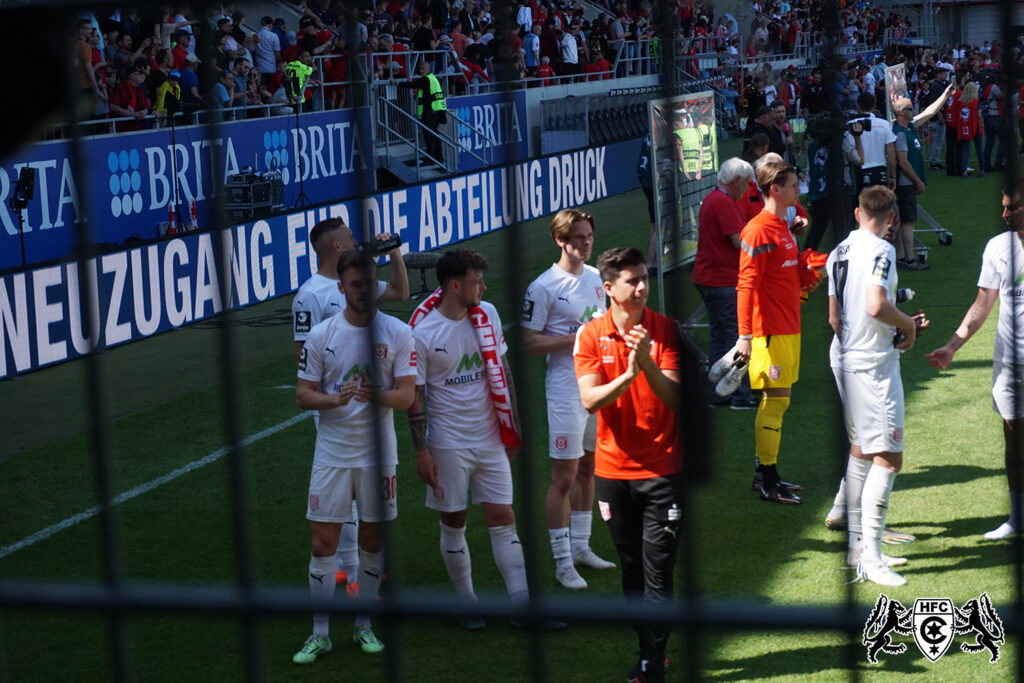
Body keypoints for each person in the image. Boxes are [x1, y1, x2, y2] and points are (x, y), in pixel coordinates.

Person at [408, 249, 557, 631]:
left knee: (504, 517)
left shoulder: (487, 314)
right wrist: (421, 450)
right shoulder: (423, 335)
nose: (484, 287)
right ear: (455, 286)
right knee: (454, 520)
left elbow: (503, 369)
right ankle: (467, 602)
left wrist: (514, 424)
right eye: (477, 281)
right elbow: (416, 396)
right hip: (448, 444)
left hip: (491, 437)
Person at [292, 250, 417, 663]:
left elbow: (407, 396)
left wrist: (372, 394)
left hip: (378, 458)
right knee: (322, 542)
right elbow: (302, 395)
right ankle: (320, 633)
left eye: (369, 283)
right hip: (331, 454)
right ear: (342, 287)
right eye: (355, 284)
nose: (364, 291)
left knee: (372, 540)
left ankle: (364, 625)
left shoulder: (397, 333)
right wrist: (334, 399)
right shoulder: (321, 335)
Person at [574, 246, 684, 683]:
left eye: (644, 278)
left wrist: (646, 364)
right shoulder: (589, 335)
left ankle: (651, 664)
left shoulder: (666, 330)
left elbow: (675, 397)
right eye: (631, 280)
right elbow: (588, 400)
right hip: (613, 473)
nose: (642, 287)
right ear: (608, 288)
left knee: (658, 570)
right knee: (632, 568)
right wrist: (629, 373)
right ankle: (649, 649)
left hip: (663, 471)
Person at [826, 186, 926, 587]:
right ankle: (872, 557)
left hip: (844, 357)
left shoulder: (839, 251)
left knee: (862, 448)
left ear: (856, 212)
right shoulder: (883, 250)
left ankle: (856, 546)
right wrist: (907, 327)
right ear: (893, 219)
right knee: (888, 457)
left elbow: (835, 317)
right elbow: (874, 305)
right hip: (872, 367)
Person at [522, 210, 617, 592]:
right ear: (560, 240)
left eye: (589, 235)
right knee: (563, 474)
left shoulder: (597, 279)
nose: (586, 242)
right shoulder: (543, 287)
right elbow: (528, 342)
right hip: (565, 389)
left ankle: (581, 547)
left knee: (589, 468)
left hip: (598, 386)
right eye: (577, 237)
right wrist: (574, 340)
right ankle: (561, 561)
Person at [925, 179, 1024, 540]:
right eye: (1003, 206)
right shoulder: (998, 247)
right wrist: (952, 346)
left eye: (1011, 207)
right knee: (1014, 440)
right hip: (1011, 362)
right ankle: (1018, 516)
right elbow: (982, 305)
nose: (1004, 214)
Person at [735, 161, 811, 503]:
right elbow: (745, 285)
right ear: (775, 190)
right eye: (794, 185)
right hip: (769, 332)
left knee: (780, 401)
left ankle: (764, 475)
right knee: (776, 402)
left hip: (788, 327)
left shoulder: (782, 225)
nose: (798, 190)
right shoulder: (758, 230)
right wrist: (745, 336)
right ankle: (768, 479)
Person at [693, 158, 759, 409]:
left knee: (719, 337)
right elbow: (738, 242)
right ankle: (741, 395)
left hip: (709, 277)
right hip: (722, 280)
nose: (748, 187)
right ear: (736, 180)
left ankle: (716, 394)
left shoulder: (713, 200)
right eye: (746, 182)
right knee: (738, 339)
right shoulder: (724, 203)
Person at [891, 87, 953, 271]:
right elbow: (902, 161)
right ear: (902, 112)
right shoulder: (900, 133)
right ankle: (909, 259)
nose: (914, 111)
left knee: (903, 221)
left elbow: (929, 112)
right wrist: (917, 180)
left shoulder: (908, 127)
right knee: (908, 222)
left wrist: (944, 95)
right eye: (910, 108)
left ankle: (902, 257)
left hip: (907, 182)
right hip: (905, 183)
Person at [393, 60, 447, 165]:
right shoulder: (432, 78)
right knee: (435, 134)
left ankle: (431, 159)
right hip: (437, 111)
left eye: (421, 69)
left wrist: (397, 83)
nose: (419, 70)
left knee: (429, 136)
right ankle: (439, 157)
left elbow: (415, 85)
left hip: (430, 112)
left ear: (424, 70)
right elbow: (419, 84)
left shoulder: (426, 80)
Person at [845, 92, 897, 192]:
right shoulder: (884, 124)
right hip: (879, 171)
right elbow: (891, 152)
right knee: (880, 205)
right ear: (874, 106)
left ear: (858, 106)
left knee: (860, 205)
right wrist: (893, 176)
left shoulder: (850, 125)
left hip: (858, 171)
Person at [957, 82, 986, 179]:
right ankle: (982, 169)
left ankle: (964, 171)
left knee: (965, 149)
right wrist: (981, 124)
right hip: (975, 127)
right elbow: (979, 115)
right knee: (979, 149)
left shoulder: (961, 101)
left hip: (965, 127)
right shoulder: (977, 102)